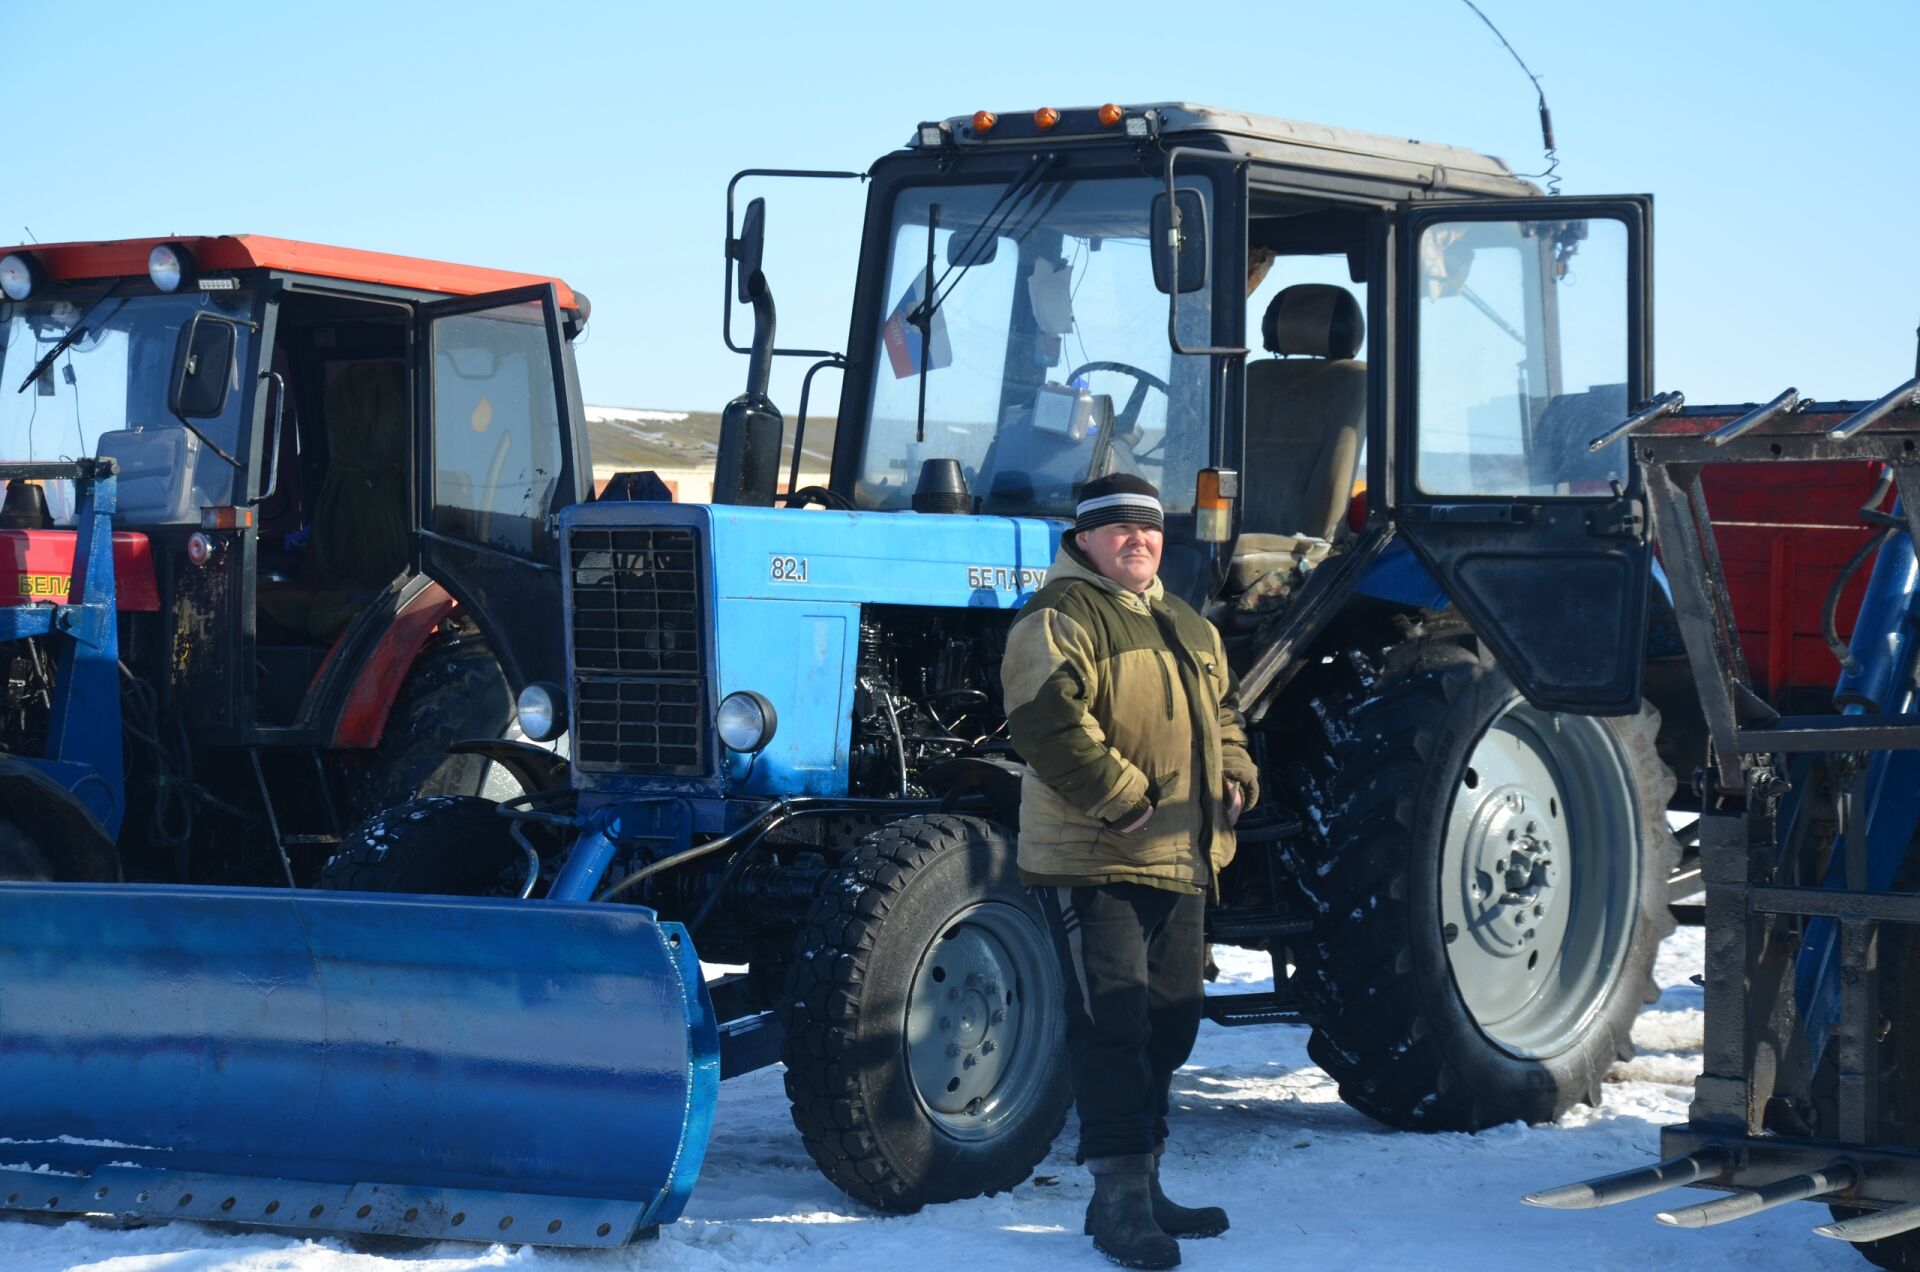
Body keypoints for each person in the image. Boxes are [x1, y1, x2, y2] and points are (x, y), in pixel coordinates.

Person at [1000, 472, 1259, 1270]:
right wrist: (1119, 795)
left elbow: (1222, 712)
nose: (1136, 540)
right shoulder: (1057, 617)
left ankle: (1145, 1186)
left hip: (1180, 854)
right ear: (1083, 540)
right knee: (1111, 1027)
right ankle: (1116, 1199)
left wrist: (1238, 769)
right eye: (1116, 529)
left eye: (1146, 528)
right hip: (1096, 855)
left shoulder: (1186, 623)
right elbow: (1044, 718)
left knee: (1170, 1023)